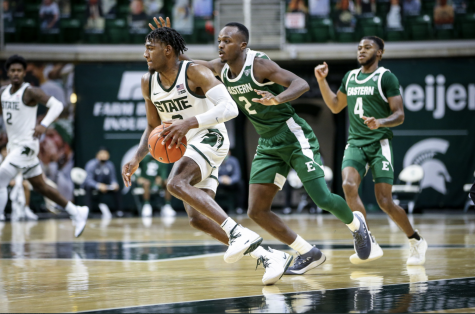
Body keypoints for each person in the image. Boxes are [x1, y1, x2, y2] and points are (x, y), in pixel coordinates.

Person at [150, 18, 375, 275]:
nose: (221, 45)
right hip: (267, 142)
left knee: (321, 198)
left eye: (227, 41)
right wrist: (168, 41)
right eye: (219, 40)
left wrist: (277, 99)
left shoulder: (259, 65)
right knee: (256, 211)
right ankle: (307, 252)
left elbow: (301, 84)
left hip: (292, 134)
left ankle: (356, 224)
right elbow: (184, 66)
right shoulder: (219, 68)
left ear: (243, 45)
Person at [121, 27, 292, 285]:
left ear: (167, 50)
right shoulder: (148, 82)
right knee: (197, 219)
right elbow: (151, 126)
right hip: (189, 147)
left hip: (211, 137)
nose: (145, 53)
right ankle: (269, 256)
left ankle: (238, 233)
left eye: (150, 47)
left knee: (175, 183)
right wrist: (137, 157)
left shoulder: (193, 72)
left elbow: (230, 107)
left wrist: (189, 123)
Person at [314, 36, 428, 265]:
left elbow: (400, 115)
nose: (361, 51)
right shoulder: (350, 77)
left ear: (380, 52)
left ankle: (415, 240)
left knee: (385, 201)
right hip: (355, 142)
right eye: (359, 48)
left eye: (367, 47)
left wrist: (381, 122)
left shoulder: (386, 77)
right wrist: (321, 81)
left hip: (379, 145)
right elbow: (336, 106)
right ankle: (368, 241)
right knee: (347, 185)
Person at [0, 55, 88, 235]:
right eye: (12, 70)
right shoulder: (3, 92)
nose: (16, 73)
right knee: (41, 186)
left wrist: (44, 124)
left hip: (26, 146)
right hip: (13, 146)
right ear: (7, 72)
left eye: (19, 70)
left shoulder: (30, 91)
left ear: (24, 73)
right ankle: (76, 211)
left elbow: (56, 105)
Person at [84, 147, 121, 217]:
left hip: (105, 186)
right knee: (87, 187)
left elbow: (113, 178)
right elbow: (88, 180)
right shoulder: (91, 164)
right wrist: (98, 186)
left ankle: (119, 211)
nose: (103, 155)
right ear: (97, 155)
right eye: (102, 154)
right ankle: (88, 212)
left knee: (117, 189)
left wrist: (114, 184)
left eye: (105, 154)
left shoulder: (110, 165)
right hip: (94, 186)